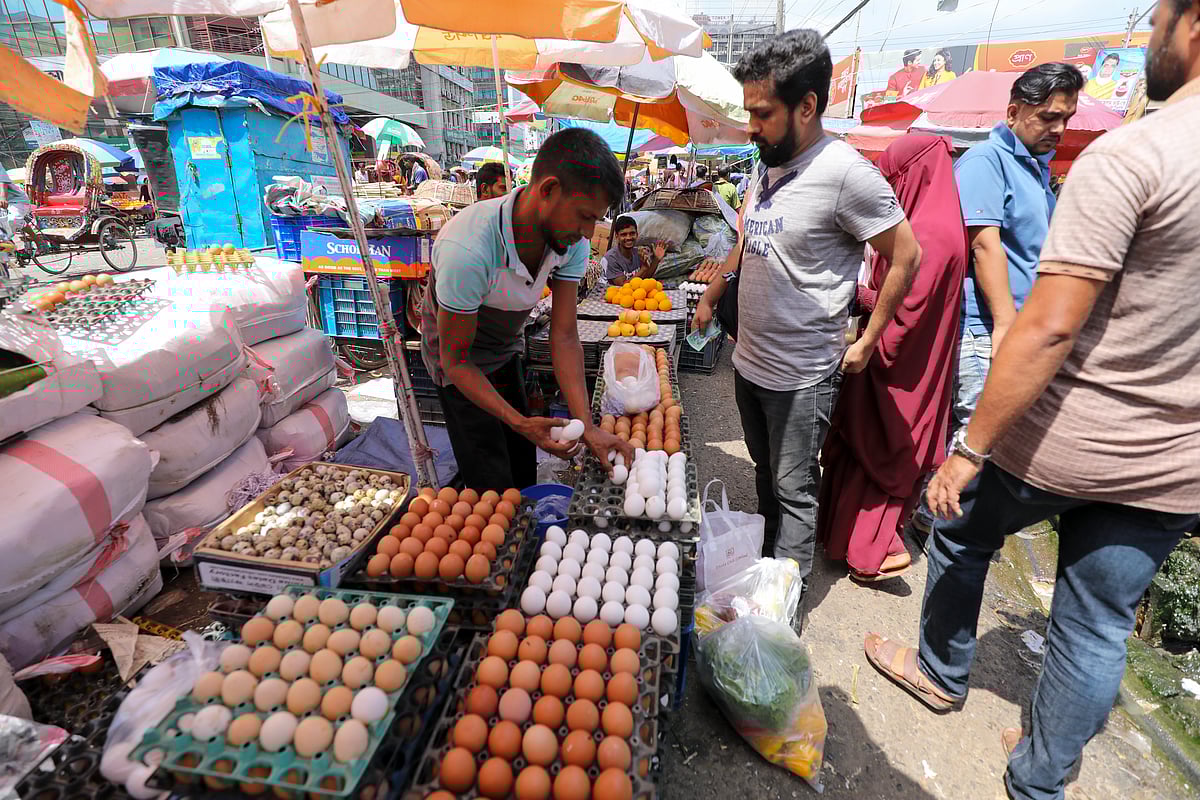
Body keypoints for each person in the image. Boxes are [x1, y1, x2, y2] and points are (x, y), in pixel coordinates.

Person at [865, 2, 1200, 797]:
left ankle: (942, 672)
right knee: (1095, 623)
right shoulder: (1014, 165)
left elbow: (1047, 329)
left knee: (958, 533)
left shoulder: (1137, 155)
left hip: (1067, 431)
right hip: (1174, 459)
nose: (1150, 31)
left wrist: (969, 450)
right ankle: (1041, 777)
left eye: (1156, 17)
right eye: (1047, 116)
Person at [690, 29, 922, 603]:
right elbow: (750, 237)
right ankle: (765, 567)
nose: (751, 126)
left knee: (795, 491)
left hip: (803, 378)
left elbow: (907, 254)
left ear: (808, 105)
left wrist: (867, 340)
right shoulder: (767, 165)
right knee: (766, 478)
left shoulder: (845, 173)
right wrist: (716, 290)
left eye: (762, 113)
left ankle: (779, 616)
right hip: (749, 366)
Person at [908, 63, 1085, 541]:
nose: (1060, 128)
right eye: (1049, 117)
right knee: (975, 433)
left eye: (1065, 117)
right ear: (1014, 111)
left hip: (1016, 327)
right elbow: (983, 243)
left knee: (981, 435)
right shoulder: (987, 161)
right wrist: (1006, 322)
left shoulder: (1035, 167)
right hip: (983, 327)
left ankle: (942, 524)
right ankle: (939, 528)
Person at [420, 128, 634, 489]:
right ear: (548, 190)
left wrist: (587, 425)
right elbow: (455, 361)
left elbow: (564, 336)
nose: (587, 233)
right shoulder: (469, 249)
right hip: (457, 360)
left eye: (594, 219)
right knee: (490, 480)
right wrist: (517, 421)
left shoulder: (569, 242)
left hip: (504, 348)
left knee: (522, 465)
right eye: (583, 216)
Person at [816, 135, 968, 583]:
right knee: (865, 452)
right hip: (914, 366)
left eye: (892, 179)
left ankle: (874, 549)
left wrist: (855, 295)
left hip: (898, 369)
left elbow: (904, 312)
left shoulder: (932, 235)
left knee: (878, 451)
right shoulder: (939, 221)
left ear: (913, 175)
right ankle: (853, 543)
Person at [600, 215, 667, 286]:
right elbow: (623, 286)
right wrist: (643, 269)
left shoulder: (638, 253)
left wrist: (656, 259)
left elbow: (645, 279)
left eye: (632, 233)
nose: (628, 238)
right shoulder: (611, 258)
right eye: (624, 234)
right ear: (617, 237)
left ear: (637, 234)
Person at [0, 164, 31, 237]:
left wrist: (2, 197)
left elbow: (2, 181)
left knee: (12, 220)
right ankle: (8, 243)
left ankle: (38, 240)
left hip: (17, 199)